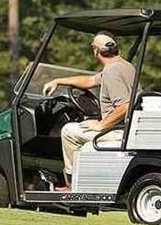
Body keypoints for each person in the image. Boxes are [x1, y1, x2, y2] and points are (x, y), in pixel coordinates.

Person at [42, 31, 137, 190]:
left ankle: (72, 184)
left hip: (118, 131)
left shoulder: (112, 72)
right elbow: (90, 80)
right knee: (83, 126)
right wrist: (58, 81)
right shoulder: (125, 66)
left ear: (96, 51)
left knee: (68, 130)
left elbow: (125, 105)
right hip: (126, 128)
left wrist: (102, 125)